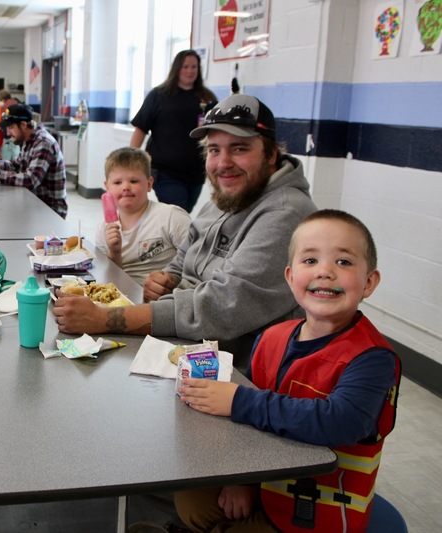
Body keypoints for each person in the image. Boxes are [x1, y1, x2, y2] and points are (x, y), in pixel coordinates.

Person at [174, 209, 401, 533]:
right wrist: (241, 481)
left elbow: (341, 422)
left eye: (344, 262)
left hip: (318, 509)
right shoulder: (271, 338)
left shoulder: (373, 357)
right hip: (263, 483)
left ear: (369, 282)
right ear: (290, 277)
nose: (325, 272)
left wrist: (239, 402)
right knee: (190, 500)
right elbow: (245, 429)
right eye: (310, 261)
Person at [53, 94, 317, 364]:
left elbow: (221, 308)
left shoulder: (287, 214)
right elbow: (182, 261)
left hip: (238, 371)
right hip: (187, 345)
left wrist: (103, 318)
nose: (223, 163)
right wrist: (168, 279)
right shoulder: (228, 197)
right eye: (214, 150)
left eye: (239, 149)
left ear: (271, 153)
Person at [130, 49, 217, 213]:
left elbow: (216, 133)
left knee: (184, 212)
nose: (190, 71)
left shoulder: (207, 98)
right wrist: (131, 162)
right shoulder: (159, 95)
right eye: (185, 67)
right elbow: (141, 127)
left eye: (194, 67)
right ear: (176, 68)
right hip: (165, 171)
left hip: (196, 171)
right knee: (179, 213)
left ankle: (168, 238)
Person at [96, 147, 190, 285]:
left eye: (134, 181)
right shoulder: (103, 230)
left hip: (164, 296)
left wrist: (172, 282)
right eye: (117, 182)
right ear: (107, 187)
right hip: (124, 295)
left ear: (149, 184)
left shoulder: (171, 217)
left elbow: (196, 263)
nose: (126, 187)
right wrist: (114, 252)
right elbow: (110, 281)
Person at [0, 103, 67, 218]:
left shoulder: (43, 143)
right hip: (33, 201)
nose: (8, 133)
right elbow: (17, 165)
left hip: (49, 210)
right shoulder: (28, 139)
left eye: (11, 127)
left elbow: (31, 180)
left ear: (24, 125)